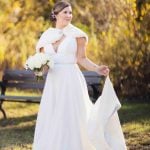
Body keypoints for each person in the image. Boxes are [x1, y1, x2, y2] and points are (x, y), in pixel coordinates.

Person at [32, 1, 127, 150]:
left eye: (70, 12)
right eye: (65, 12)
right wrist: (37, 68)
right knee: (53, 115)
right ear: (55, 14)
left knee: (72, 115)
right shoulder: (47, 35)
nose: (69, 15)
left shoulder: (77, 35)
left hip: (71, 79)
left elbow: (82, 58)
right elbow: (43, 62)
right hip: (54, 81)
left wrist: (97, 68)